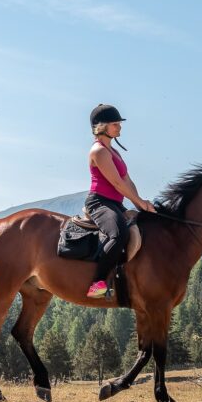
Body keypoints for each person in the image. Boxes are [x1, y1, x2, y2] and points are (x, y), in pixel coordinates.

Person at [85, 104, 156, 298]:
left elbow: (126, 180)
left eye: (119, 124)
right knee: (118, 234)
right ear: (102, 127)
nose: (119, 127)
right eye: (115, 124)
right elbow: (116, 183)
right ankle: (97, 283)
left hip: (114, 203)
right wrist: (139, 203)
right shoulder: (98, 151)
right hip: (99, 202)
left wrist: (140, 202)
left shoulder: (114, 152)